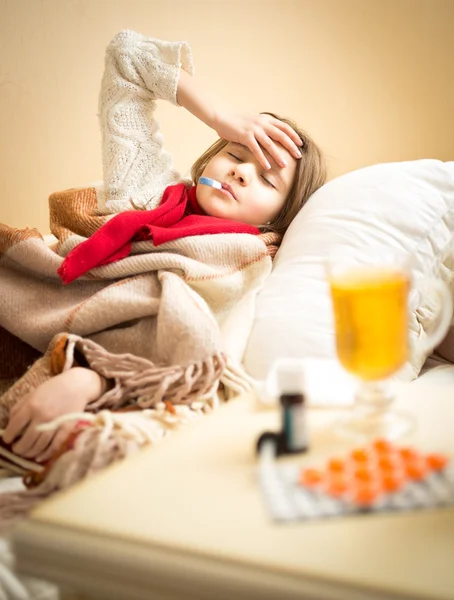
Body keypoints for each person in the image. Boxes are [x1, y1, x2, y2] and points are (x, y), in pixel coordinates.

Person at [2, 30, 326, 463]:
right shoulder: (147, 190)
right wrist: (219, 114)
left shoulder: (249, 262)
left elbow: (196, 357)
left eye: (268, 179)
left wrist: (90, 378)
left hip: (91, 372)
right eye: (234, 153)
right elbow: (125, 57)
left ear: (279, 217)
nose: (242, 173)